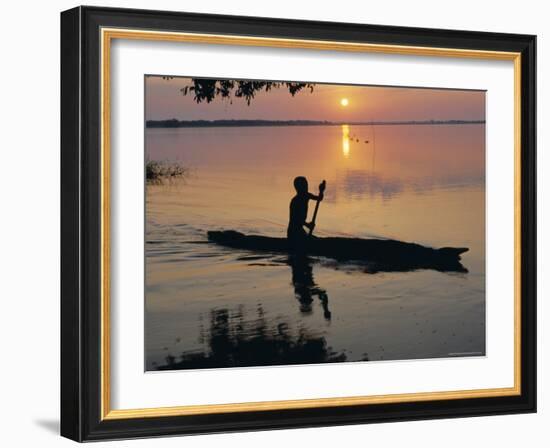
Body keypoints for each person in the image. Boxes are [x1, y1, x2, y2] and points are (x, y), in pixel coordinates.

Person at [287, 176, 324, 254]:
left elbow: (319, 199)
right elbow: (295, 219)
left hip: (300, 230)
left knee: (314, 240)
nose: (306, 188)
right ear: (298, 188)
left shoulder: (307, 195)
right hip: (293, 231)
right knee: (309, 242)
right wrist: (308, 225)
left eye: (306, 185)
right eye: (304, 186)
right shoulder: (295, 201)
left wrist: (321, 190)